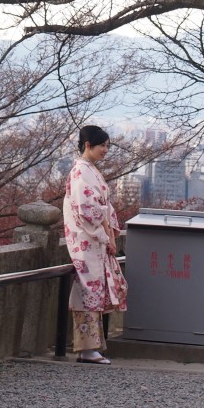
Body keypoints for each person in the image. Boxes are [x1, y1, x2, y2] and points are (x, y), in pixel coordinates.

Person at [63, 124, 128, 364]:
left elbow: (100, 208)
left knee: (93, 290)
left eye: (107, 146)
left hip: (94, 239)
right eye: (102, 146)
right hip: (86, 239)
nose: (105, 150)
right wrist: (105, 233)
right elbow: (86, 209)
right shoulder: (80, 171)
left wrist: (108, 233)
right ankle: (86, 348)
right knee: (88, 291)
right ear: (88, 145)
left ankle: (91, 346)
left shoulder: (89, 170)